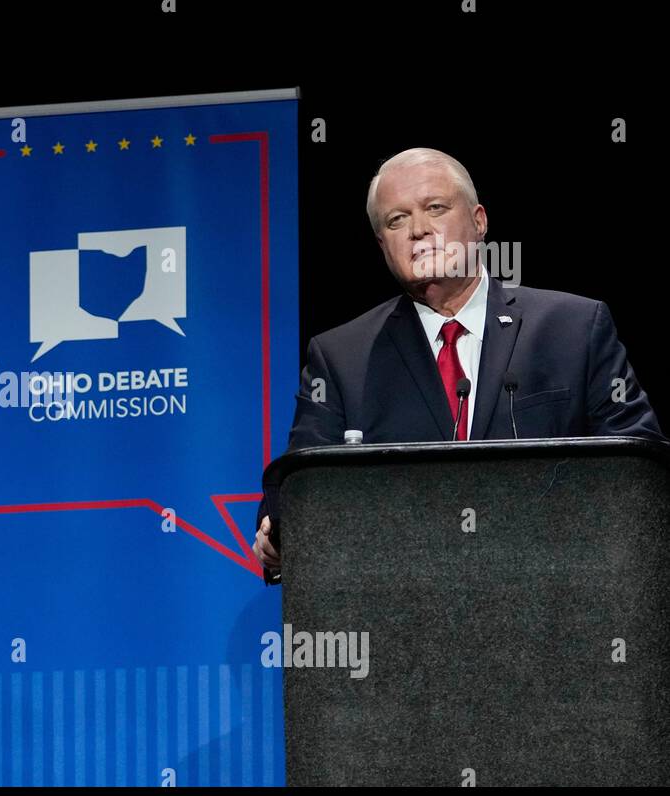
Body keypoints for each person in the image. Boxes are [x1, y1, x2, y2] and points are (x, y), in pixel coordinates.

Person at [254, 147, 663, 575]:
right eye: (397, 220)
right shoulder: (341, 356)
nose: (418, 230)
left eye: (435, 208)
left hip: (556, 597)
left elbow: (638, 464)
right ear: (382, 244)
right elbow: (297, 485)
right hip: (403, 609)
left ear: (479, 221)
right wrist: (278, 531)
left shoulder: (573, 328)